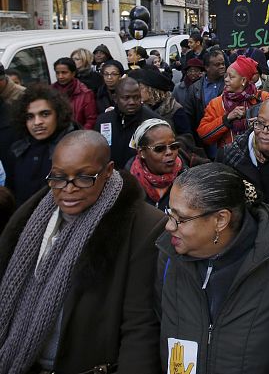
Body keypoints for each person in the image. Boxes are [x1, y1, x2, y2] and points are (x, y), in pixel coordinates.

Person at [0, 130, 165, 374]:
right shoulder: (32, 213)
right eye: (58, 177)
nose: (68, 188)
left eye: (84, 177)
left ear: (108, 171)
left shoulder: (144, 226)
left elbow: (140, 326)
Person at [157, 163, 269, 373]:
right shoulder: (168, 257)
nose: (169, 226)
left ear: (221, 219)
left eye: (180, 219)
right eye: (169, 213)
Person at [6, 85, 78, 205]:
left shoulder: (76, 149)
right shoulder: (18, 150)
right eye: (30, 117)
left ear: (58, 114)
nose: (37, 122)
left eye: (45, 114)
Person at [198, 56, 269, 149]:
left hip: (261, 153)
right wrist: (226, 119)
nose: (226, 80)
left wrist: (260, 122)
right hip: (229, 157)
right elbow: (203, 135)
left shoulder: (263, 98)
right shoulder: (217, 103)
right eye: (226, 76)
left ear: (243, 80)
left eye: (231, 77)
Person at [94, 77, 162, 168]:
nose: (132, 102)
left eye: (136, 97)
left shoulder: (153, 122)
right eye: (126, 98)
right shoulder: (103, 120)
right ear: (115, 98)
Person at [126, 119, 185, 210]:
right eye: (159, 148)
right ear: (142, 153)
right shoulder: (127, 187)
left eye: (173, 146)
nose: (169, 152)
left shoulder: (188, 178)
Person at [129, 68, 191, 135]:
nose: (137, 92)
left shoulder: (175, 110)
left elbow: (187, 137)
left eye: (141, 88)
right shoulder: (140, 108)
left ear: (152, 90)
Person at [184, 48, 226, 137]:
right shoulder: (195, 89)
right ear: (207, 67)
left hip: (226, 135)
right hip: (205, 138)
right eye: (217, 64)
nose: (222, 66)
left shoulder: (230, 83)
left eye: (223, 64)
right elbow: (189, 116)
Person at [51, 57, 98, 130]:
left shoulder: (85, 93)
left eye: (64, 72)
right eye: (57, 73)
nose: (60, 76)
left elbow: (91, 119)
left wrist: (80, 136)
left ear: (73, 73)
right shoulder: (50, 92)